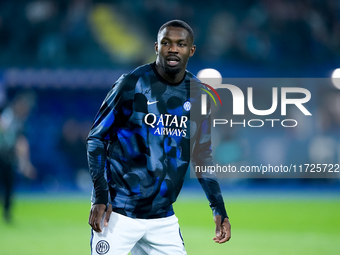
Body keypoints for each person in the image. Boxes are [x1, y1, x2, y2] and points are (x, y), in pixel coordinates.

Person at [87, 20, 231, 255]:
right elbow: (96, 139)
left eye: (181, 44)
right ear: (157, 47)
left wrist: (219, 208)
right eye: (166, 43)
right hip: (118, 214)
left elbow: (202, 155)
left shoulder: (199, 95)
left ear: (191, 50)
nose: (173, 49)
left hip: (163, 219)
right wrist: (100, 196)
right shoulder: (132, 84)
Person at [0, 91, 36, 223]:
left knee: (9, 185)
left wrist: (25, 163)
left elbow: (21, 142)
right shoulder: (7, 113)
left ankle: (7, 214)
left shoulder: (21, 122)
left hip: (8, 157)